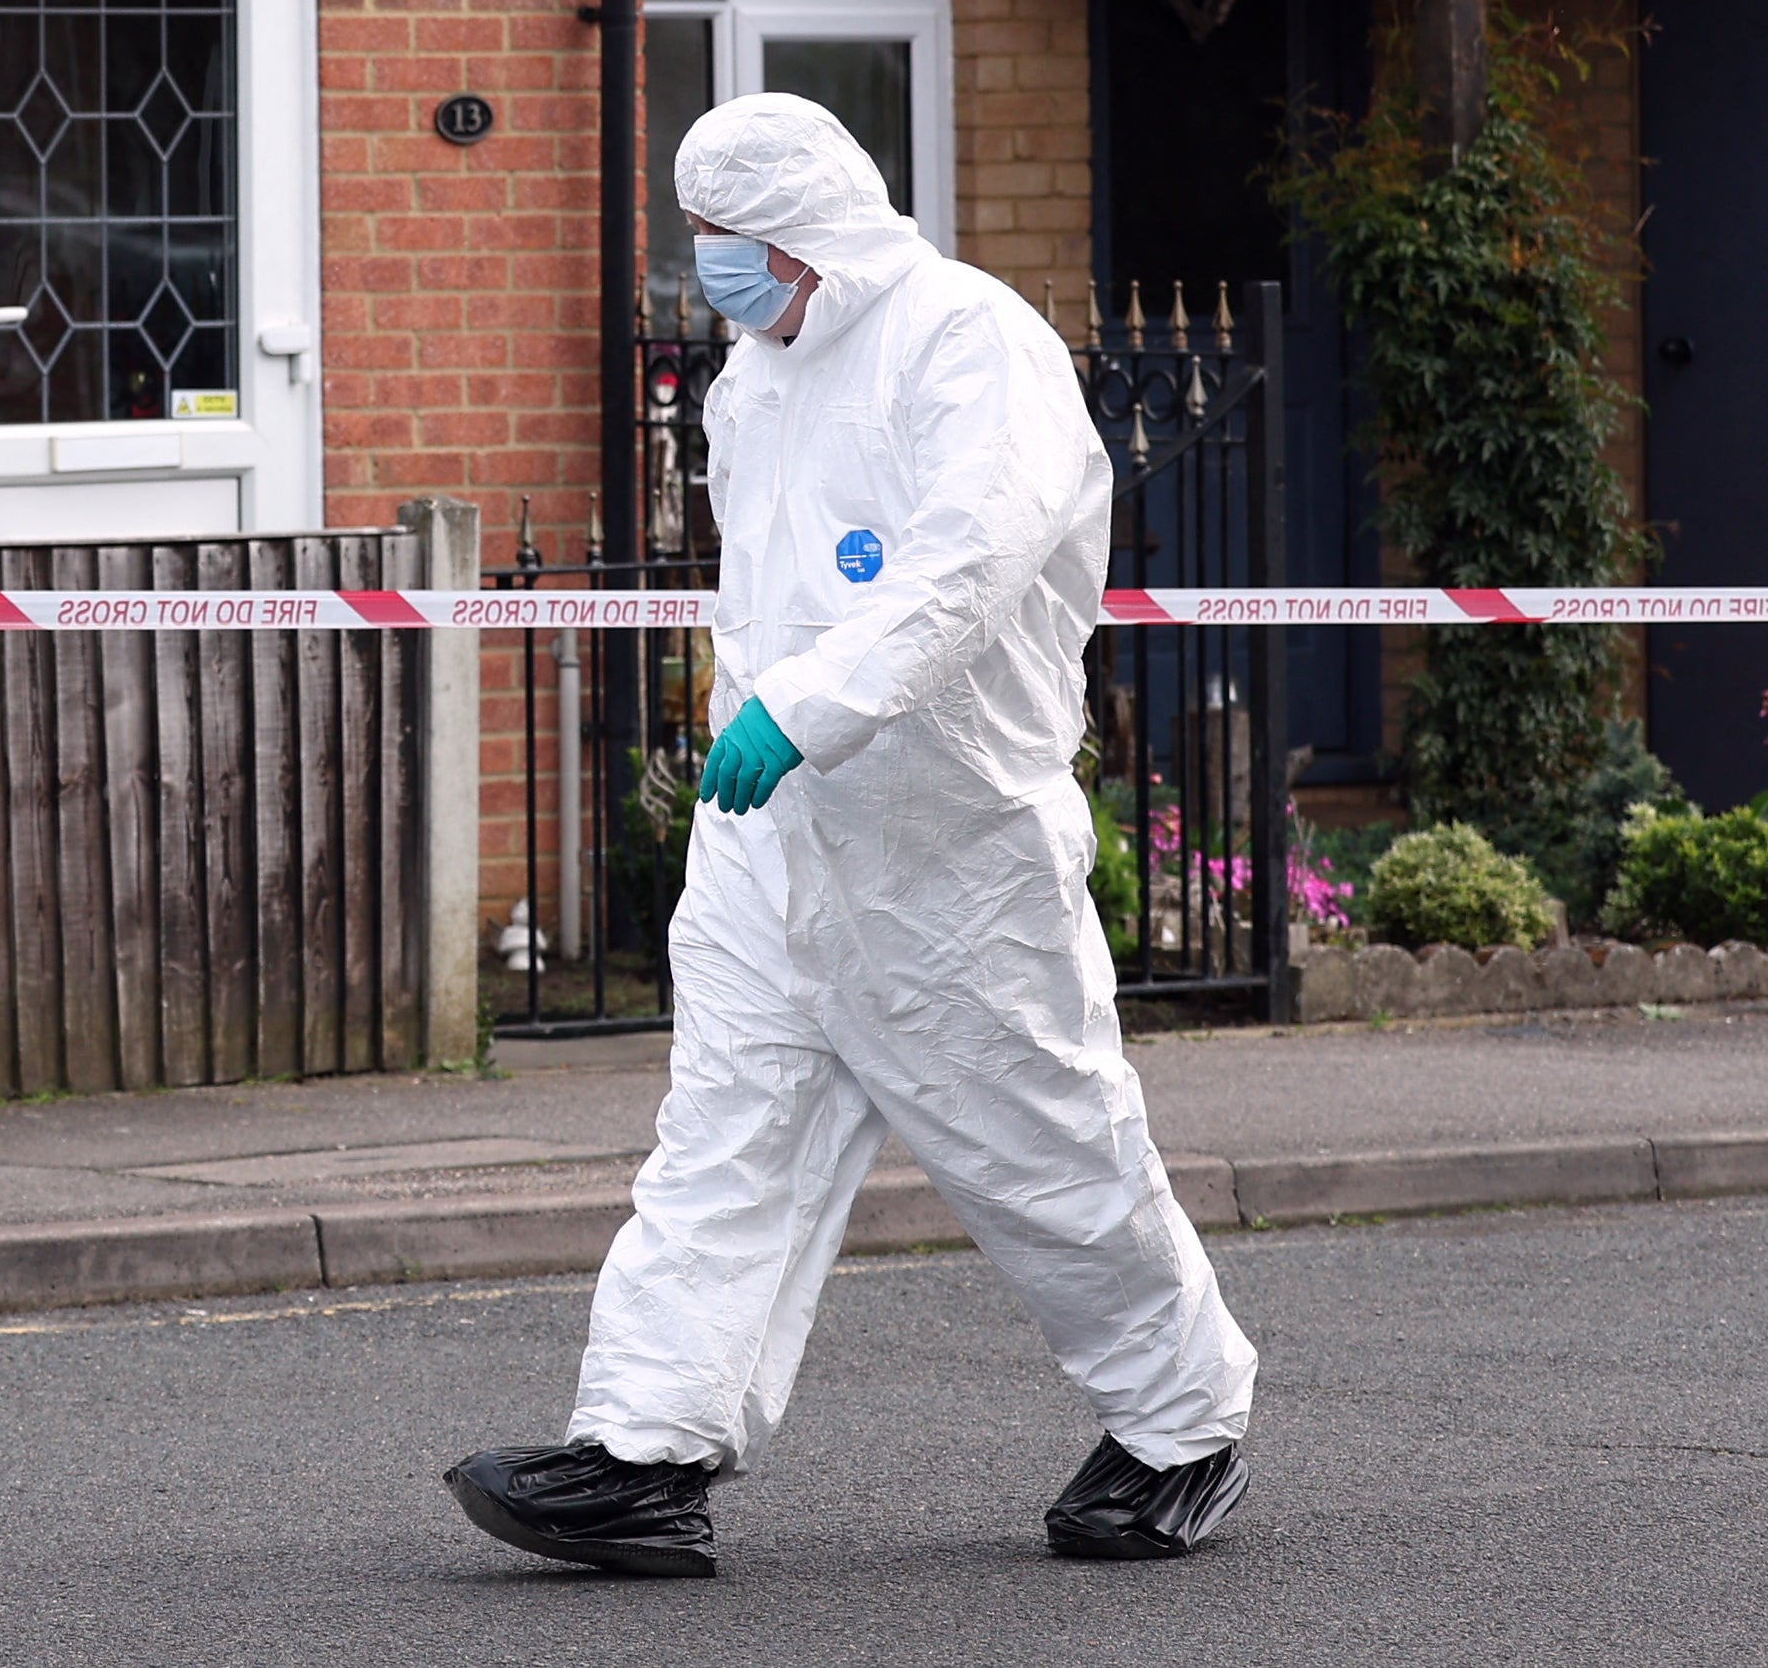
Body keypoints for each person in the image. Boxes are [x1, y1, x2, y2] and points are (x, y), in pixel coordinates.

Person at [448, 92, 1255, 1577]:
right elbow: (764, 580)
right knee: (720, 1146)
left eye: (729, 243)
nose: (712, 276)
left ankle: (1179, 1424)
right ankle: (646, 1447)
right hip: (777, 846)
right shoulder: (754, 378)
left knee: (1045, 1151)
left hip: (948, 847)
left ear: (807, 231)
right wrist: (760, 707)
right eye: (697, 243)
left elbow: (969, 557)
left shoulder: (966, 341)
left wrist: (810, 701)